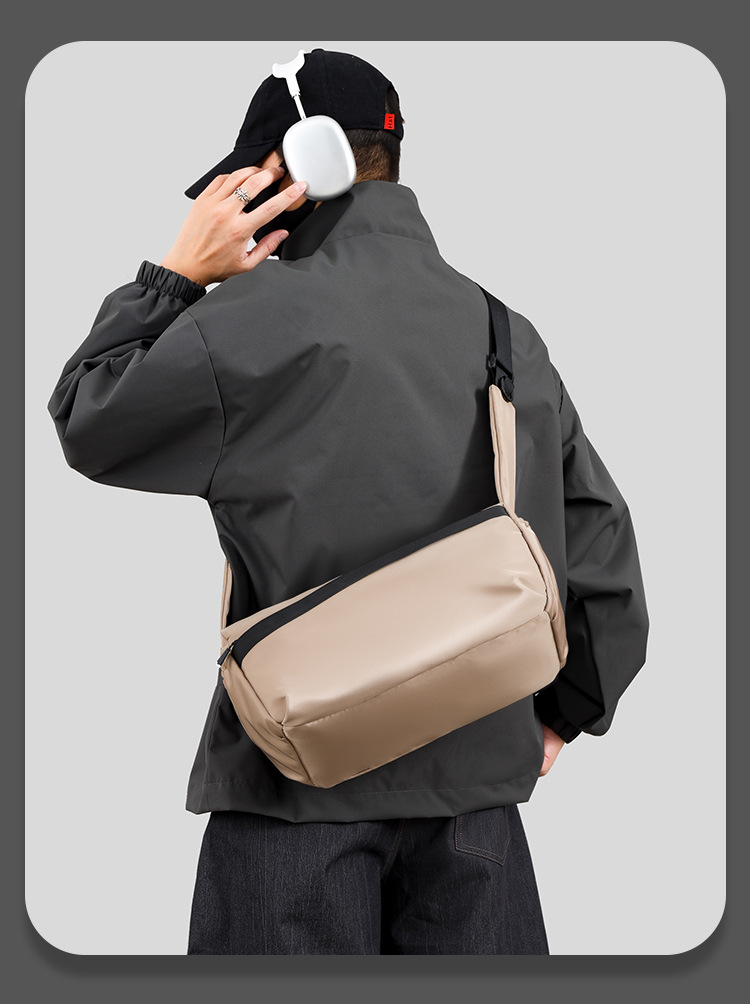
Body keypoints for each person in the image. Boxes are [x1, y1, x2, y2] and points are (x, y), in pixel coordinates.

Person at [46, 48, 650, 956]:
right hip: (476, 815)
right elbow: (602, 554)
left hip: (291, 800)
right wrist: (565, 710)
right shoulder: (505, 332)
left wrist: (176, 273)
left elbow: (88, 415)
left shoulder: (241, 325)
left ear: (293, 169)